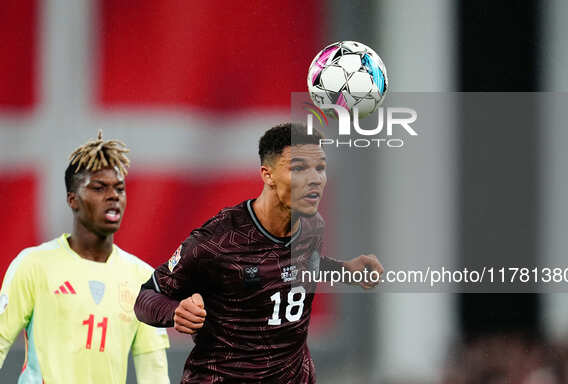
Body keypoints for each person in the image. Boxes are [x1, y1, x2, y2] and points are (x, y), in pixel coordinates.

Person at [134, 122, 383, 383]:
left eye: (320, 168)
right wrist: (175, 312)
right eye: (298, 168)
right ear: (268, 175)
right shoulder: (218, 239)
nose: (314, 179)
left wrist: (344, 270)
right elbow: (146, 296)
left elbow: (296, 264)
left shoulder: (312, 225)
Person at [0, 132, 170, 383]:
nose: (113, 196)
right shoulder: (34, 265)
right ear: (73, 200)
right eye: (99, 188)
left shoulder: (143, 279)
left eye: (119, 189)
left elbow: (154, 374)